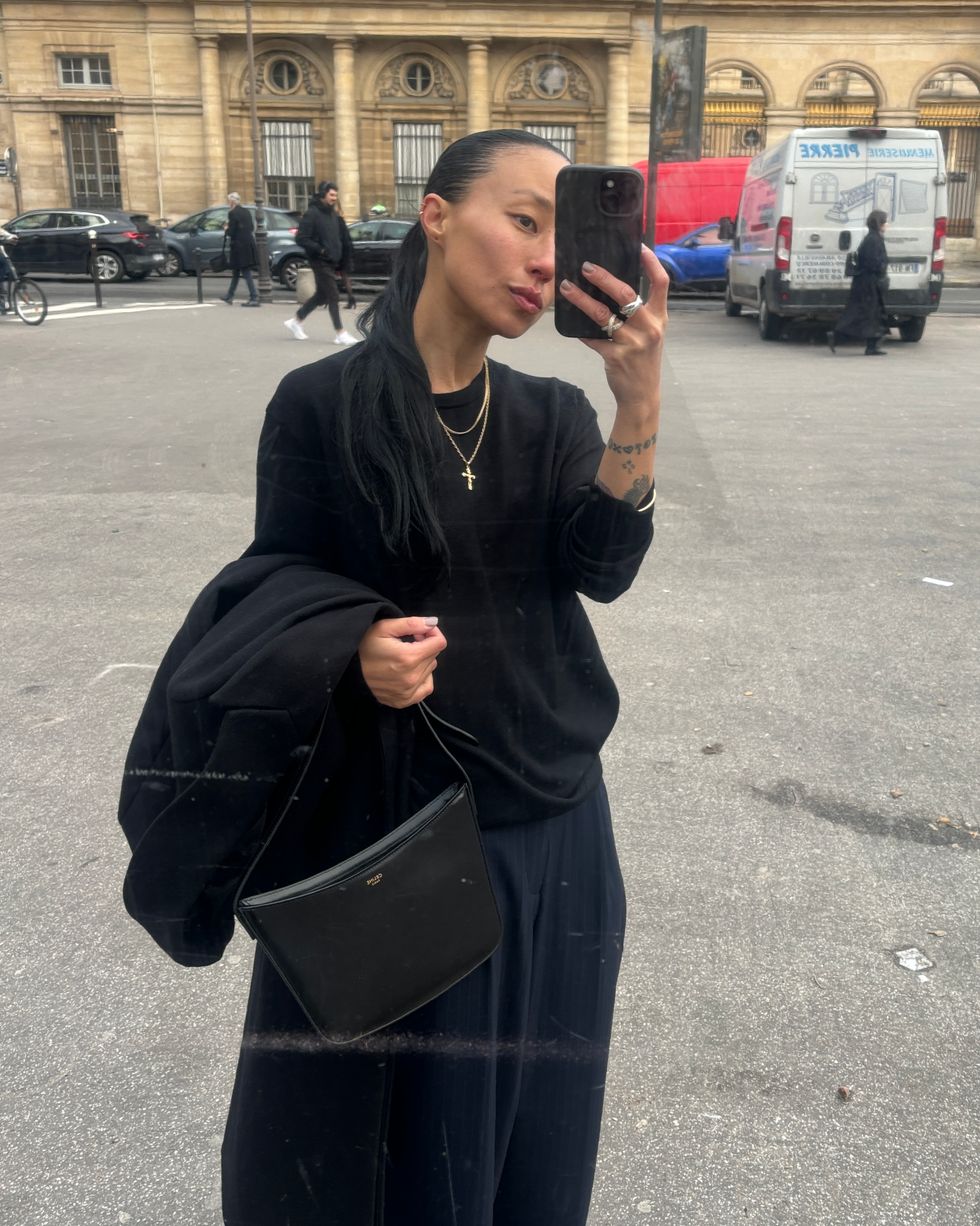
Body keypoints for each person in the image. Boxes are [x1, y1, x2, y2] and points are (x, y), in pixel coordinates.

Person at [218, 127, 668, 1226]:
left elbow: (601, 569)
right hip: (402, 840)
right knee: (399, 1153)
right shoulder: (322, 405)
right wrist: (352, 645)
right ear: (435, 214)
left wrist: (638, 408)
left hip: (558, 832)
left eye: (560, 236)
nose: (545, 259)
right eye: (523, 221)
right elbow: (273, 590)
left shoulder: (550, 413)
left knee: (534, 1139)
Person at [283, 179, 357, 343]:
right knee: (333, 295)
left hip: (331, 261)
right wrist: (321, 250)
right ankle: (340, 333)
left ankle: (296, 320)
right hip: (319, 260)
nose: (334, 198)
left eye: (336, 195)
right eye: (331, 195)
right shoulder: (312, 213)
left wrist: (339, 257)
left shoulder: (332, 214)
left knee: (321, 295)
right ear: (323, 194)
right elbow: (301, 238)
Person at [828, 209, 890, 355]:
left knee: (871, 315)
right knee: (861, 314)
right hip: (867, 283)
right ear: (879, 223)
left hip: (868, 282)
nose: (887, 225)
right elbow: (872, 262)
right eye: (885, 222)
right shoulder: (873, 240)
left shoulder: (873, 238)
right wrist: (882, 267)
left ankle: (871, 346)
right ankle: (836, 337)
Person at [221, 192, 259, 306]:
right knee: (236, 271)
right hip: (248, 243)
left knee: (245, 271)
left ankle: (254, 297)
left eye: (229, 201)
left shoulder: (232, 213)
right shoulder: (246, 211)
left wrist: (226, 228)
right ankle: (229, 295)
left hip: (239, 246)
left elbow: (231, 232)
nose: (228, 203)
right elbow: (251, 227)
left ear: (232, 201)